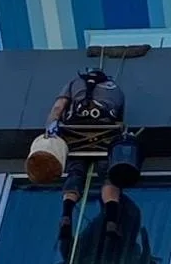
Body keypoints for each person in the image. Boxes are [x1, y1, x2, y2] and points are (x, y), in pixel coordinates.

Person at [44, 67, 128, 244]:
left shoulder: (74, 83)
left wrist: (51, 127)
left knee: (76, 172)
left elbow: (58, 108)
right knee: (109, 178)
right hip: (105, 135)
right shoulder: (117, 90)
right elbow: (120, 119)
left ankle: (67, 214)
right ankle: (111, 220)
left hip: (75, 135)